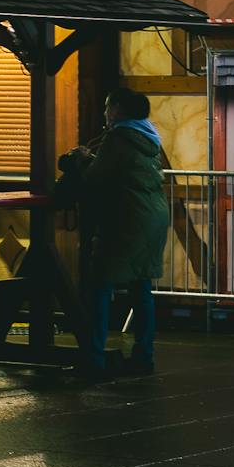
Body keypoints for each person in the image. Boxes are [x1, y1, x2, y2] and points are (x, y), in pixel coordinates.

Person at [79, 88, 170, 374]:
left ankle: (94, 358)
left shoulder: (119, 138)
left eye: (108, 106)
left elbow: (94, 178)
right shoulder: (148, 138)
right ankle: (145, 355)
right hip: (153, 217)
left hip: (127, 219)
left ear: (118, 109)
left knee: (100, 286)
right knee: (141, 287)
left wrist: (81, 159)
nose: (105, 113)